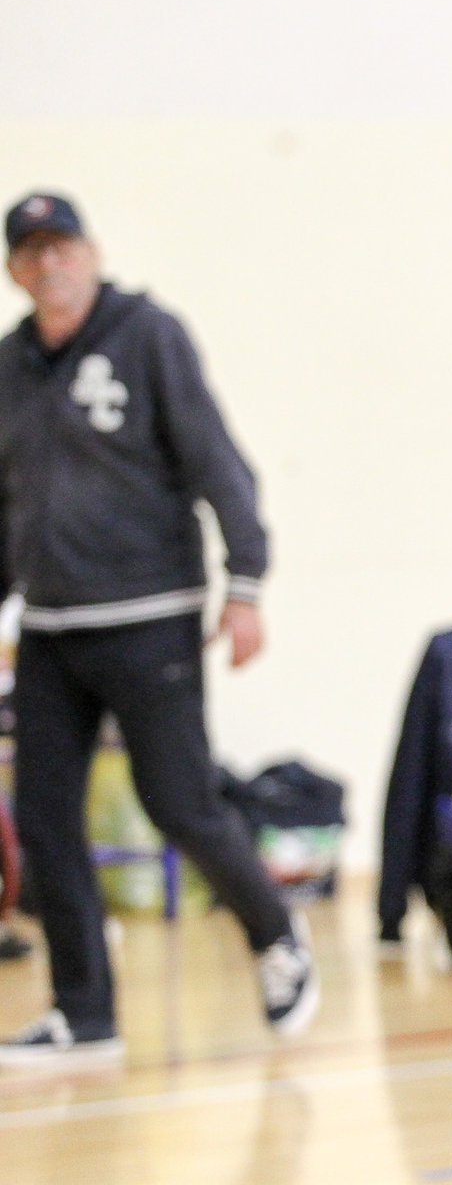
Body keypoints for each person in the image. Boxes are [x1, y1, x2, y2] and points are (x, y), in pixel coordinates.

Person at [0, 192, 316, 1065]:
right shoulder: (10, 366)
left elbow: (217, 461)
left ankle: (275, 932)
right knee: (43, 818)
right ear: (15, 270)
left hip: (150, 617)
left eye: (61, 246)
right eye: (30, 252)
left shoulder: (148, 337)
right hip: (51, 627)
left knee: (178, 801)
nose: (49, 264)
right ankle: (84, 1015)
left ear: (91, 252)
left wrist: (244, 584)